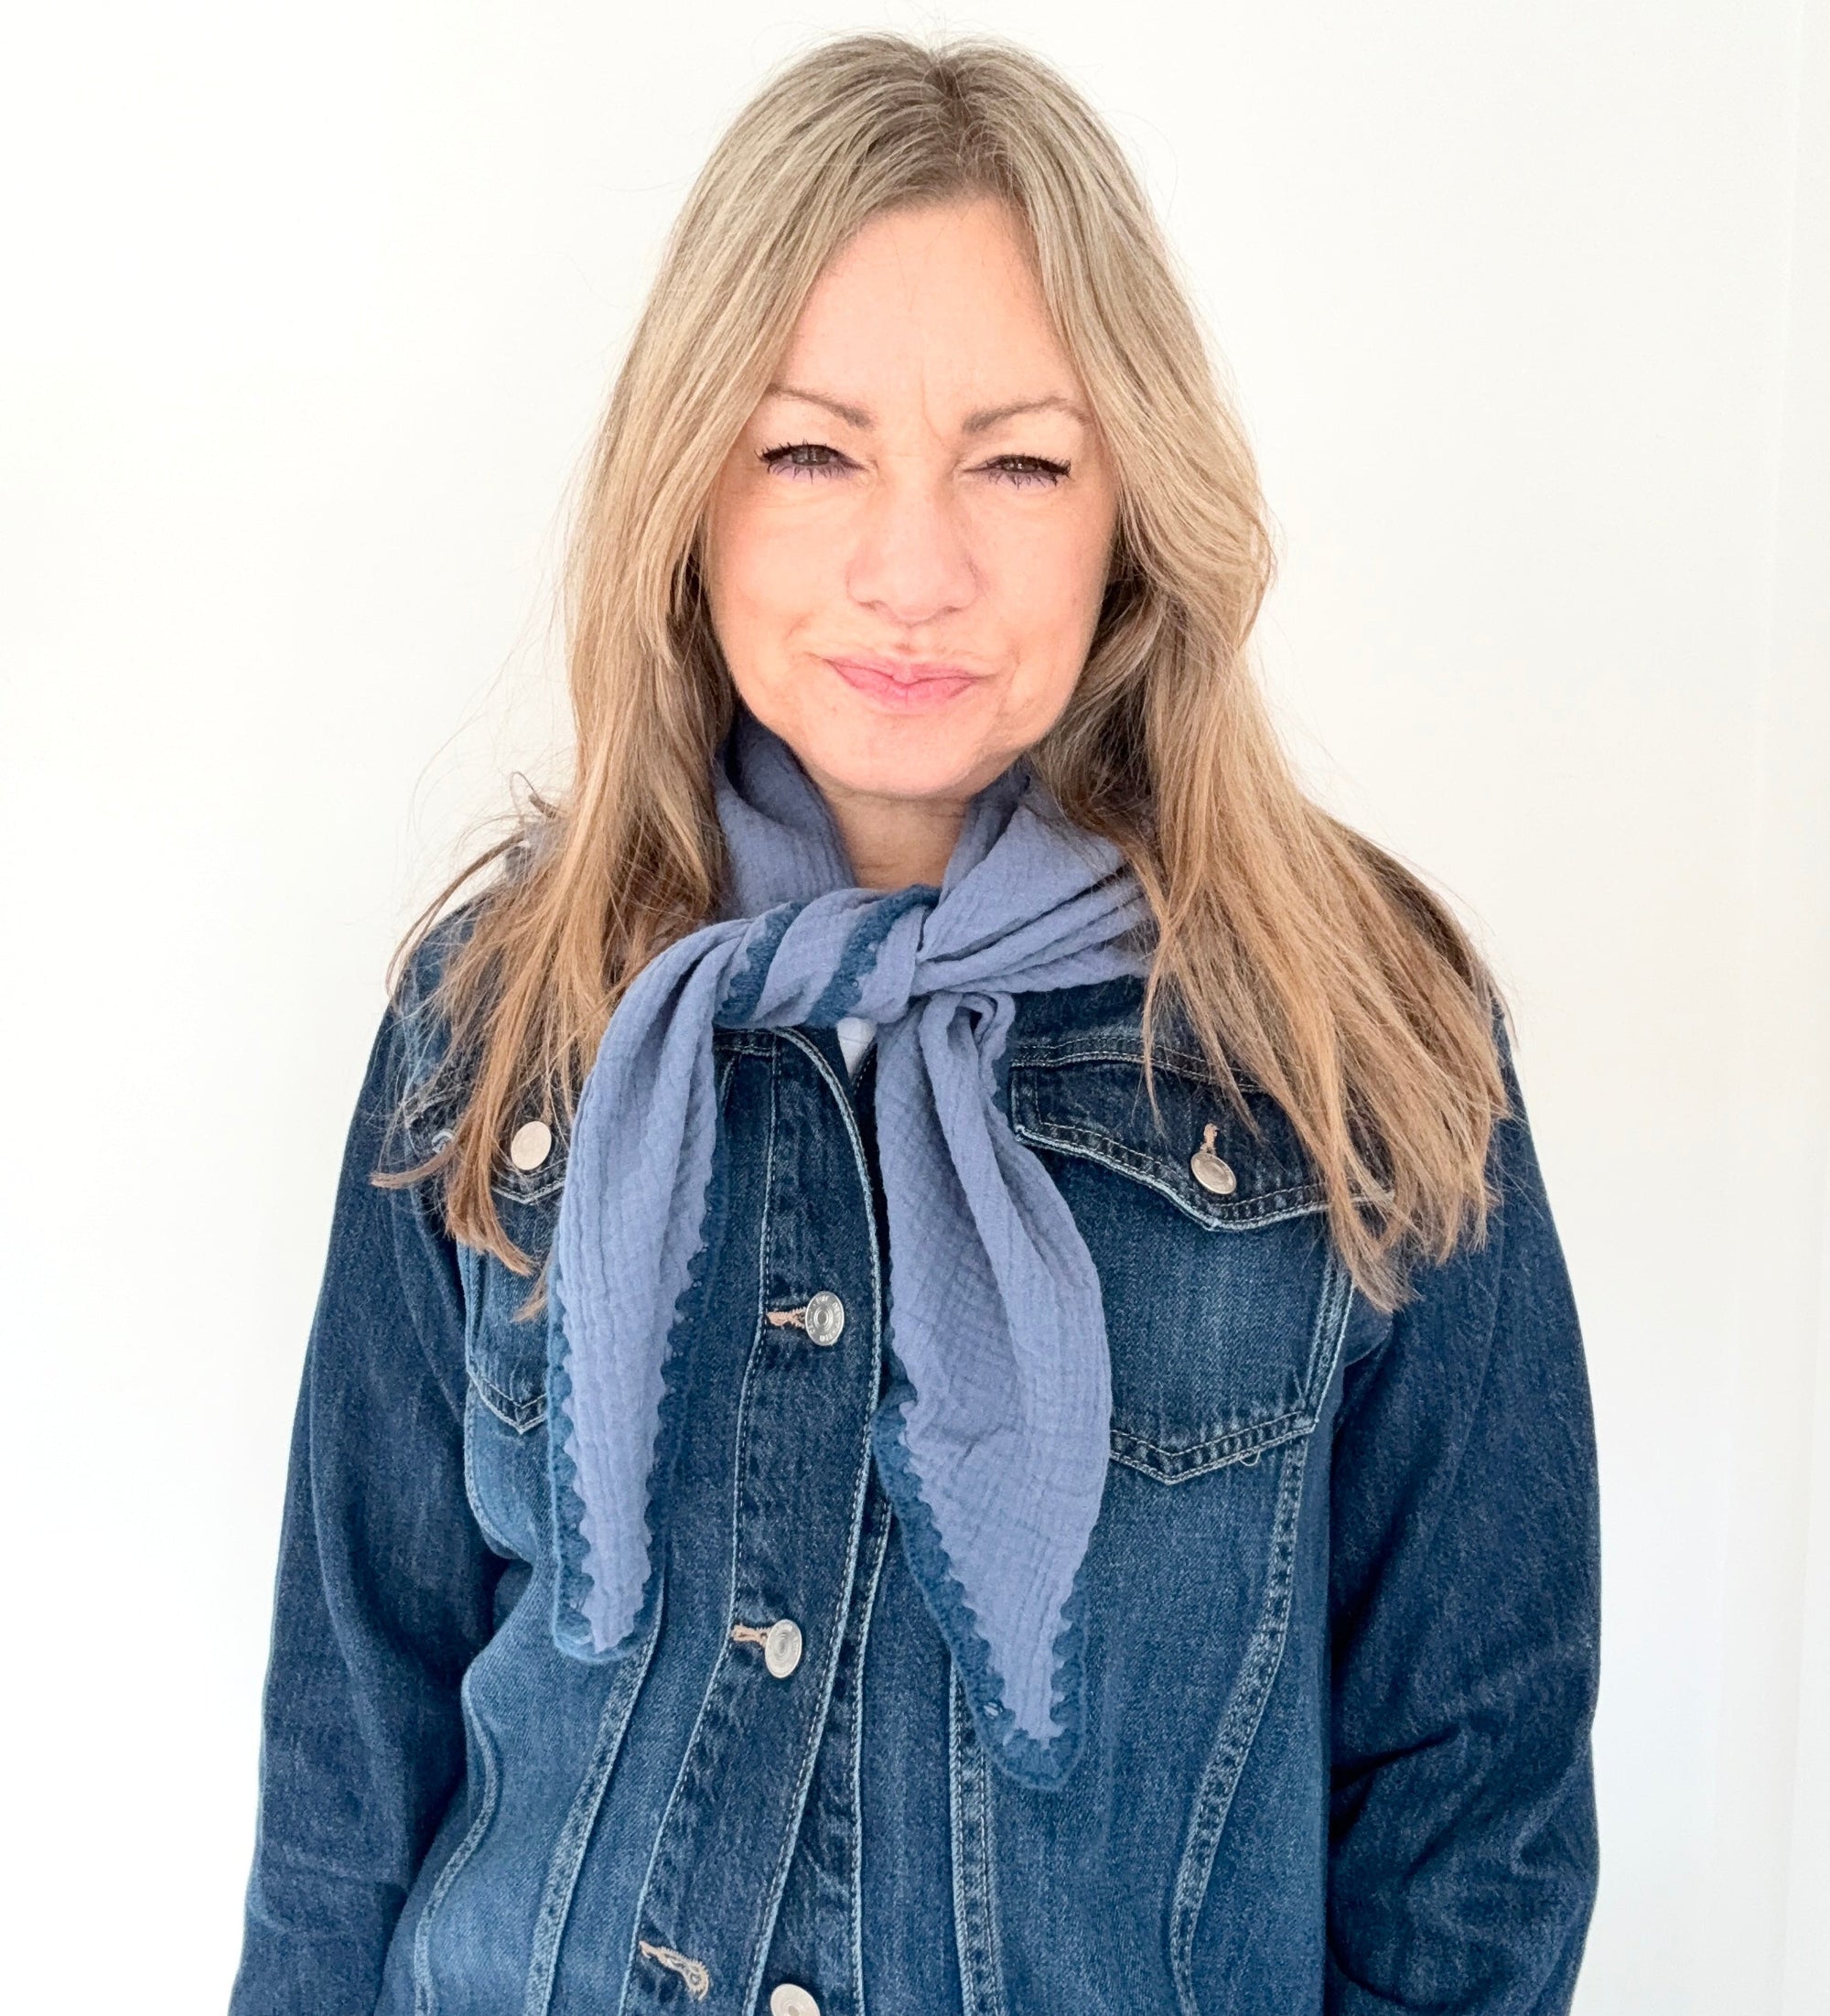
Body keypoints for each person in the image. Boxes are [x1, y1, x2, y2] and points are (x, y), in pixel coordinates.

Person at [231, 30, 1599, 2016]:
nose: (911, 566)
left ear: (1134, 498)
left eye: (1019, 459)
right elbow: (351, 1748)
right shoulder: (502, 1011)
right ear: (685, 491)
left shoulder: (1354, 1038)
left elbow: (1473, 1803)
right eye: (809, 450)